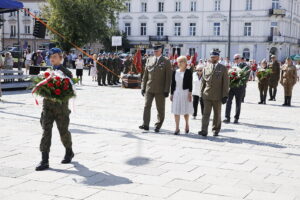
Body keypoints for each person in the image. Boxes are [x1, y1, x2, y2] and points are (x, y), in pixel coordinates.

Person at [36, 48, 74, 171]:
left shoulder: (66, 73)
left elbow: (70, 91)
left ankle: (69, 151)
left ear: (61, 58)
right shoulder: (47, 71)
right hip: (47, 108)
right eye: (50, 57)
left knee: (63, 132)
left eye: (55, 56)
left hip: (61, 109)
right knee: (46, 131)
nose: (52, 59)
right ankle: (44, 160)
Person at [139, 45, 172, 132]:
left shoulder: (166, 61)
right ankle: (145, 124)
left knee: (160, 108)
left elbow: (168, 77)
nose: (155, 52)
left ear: (161, 51)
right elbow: (145, 75)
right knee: (146, 106)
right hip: (149, 87)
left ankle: (158, 125)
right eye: (154, 51)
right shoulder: (149, 59)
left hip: (160, 89)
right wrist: (143, 87)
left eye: (157, 51)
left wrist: (167, 90)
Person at [199, 50, 229, 137]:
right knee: (205, 114)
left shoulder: (223, 68)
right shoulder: (206, 68)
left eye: (215, 57)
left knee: (217, 114)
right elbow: (203, 82)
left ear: (218, 57)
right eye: (212, 57)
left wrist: (225, 95)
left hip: (218, 95)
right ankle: (204, 130)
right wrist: (201, 94)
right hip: (207, 95)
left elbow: (226, 83)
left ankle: (216, 129)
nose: (213, 59)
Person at [170, 56, 193, 135]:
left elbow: (190, 84)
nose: (179, 63)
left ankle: (187, 124)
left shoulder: (188, 72)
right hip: (177, 92)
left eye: (181, 62)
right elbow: (172, 84)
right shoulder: (175, 72)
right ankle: (177, 128)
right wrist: (171, 94)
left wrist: (190, 94)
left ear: (185, 63)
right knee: (176, 110)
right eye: (178, 62)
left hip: (185, 93)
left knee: (185, 110)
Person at [224, 54, 249, 124]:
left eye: (237, 58)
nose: (236, 60)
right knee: (228, 101)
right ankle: (227, 117)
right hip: (232, 86)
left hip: (240, 87)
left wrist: (238, 80)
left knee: (238, 103)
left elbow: (246, 77)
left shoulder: (245, 66)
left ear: (240, 58)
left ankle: (236, 118)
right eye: (234, 59)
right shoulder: (234, 66)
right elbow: (230, 74)